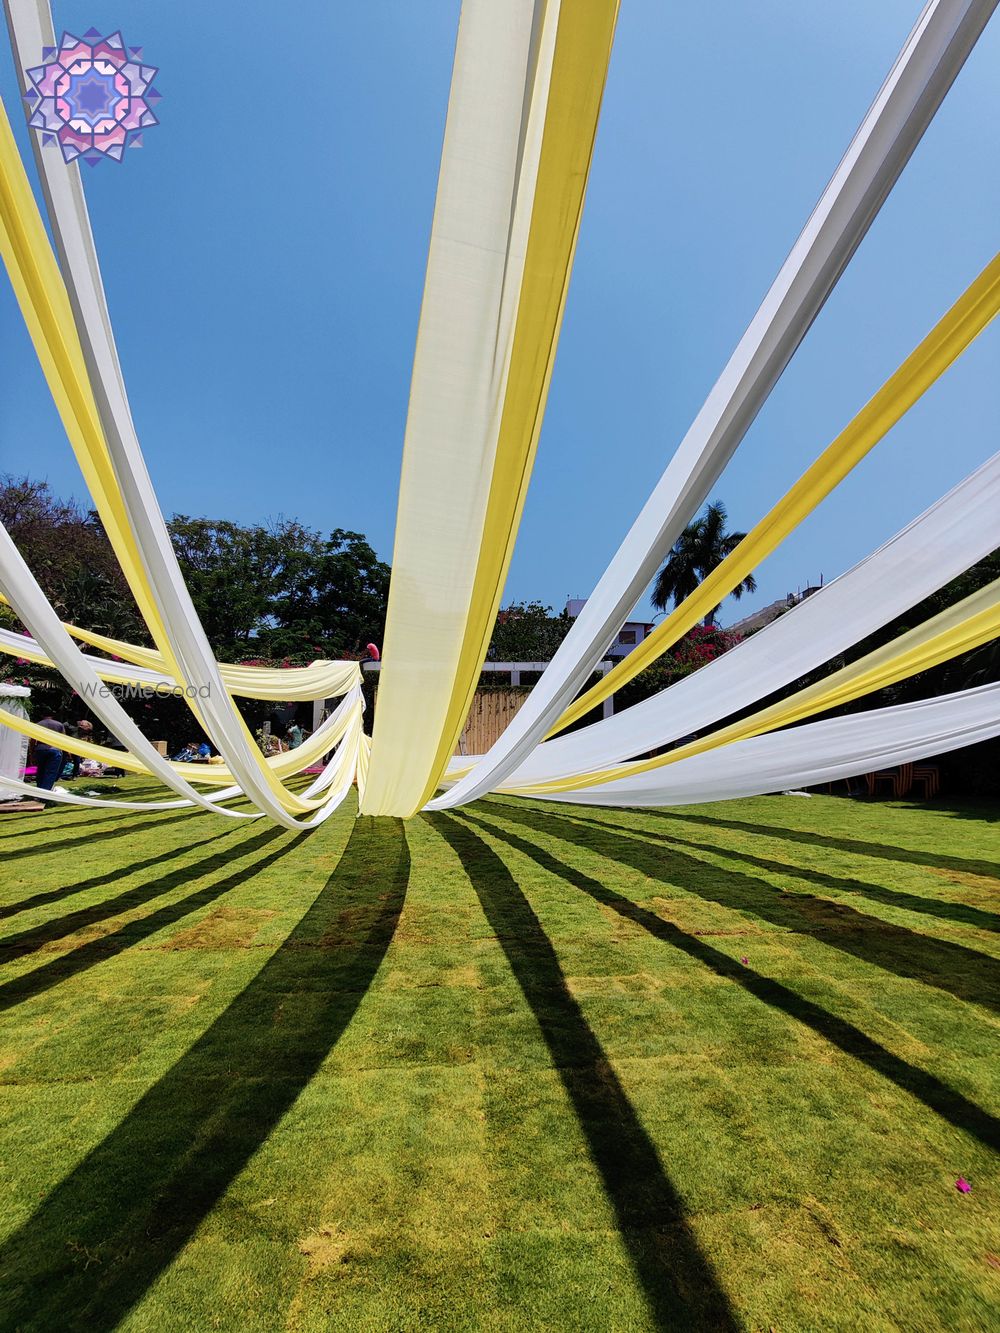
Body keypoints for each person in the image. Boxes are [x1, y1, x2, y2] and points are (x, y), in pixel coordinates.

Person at [33, 714, 66, 792]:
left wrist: (32, 752)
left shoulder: (38, 724)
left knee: (41, 770)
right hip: (55, 749)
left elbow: (33, 740)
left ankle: (39, 790)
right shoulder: (59, 724)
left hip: (40, 749)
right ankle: (45, 792)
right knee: (51, 772)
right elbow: (64, 738)